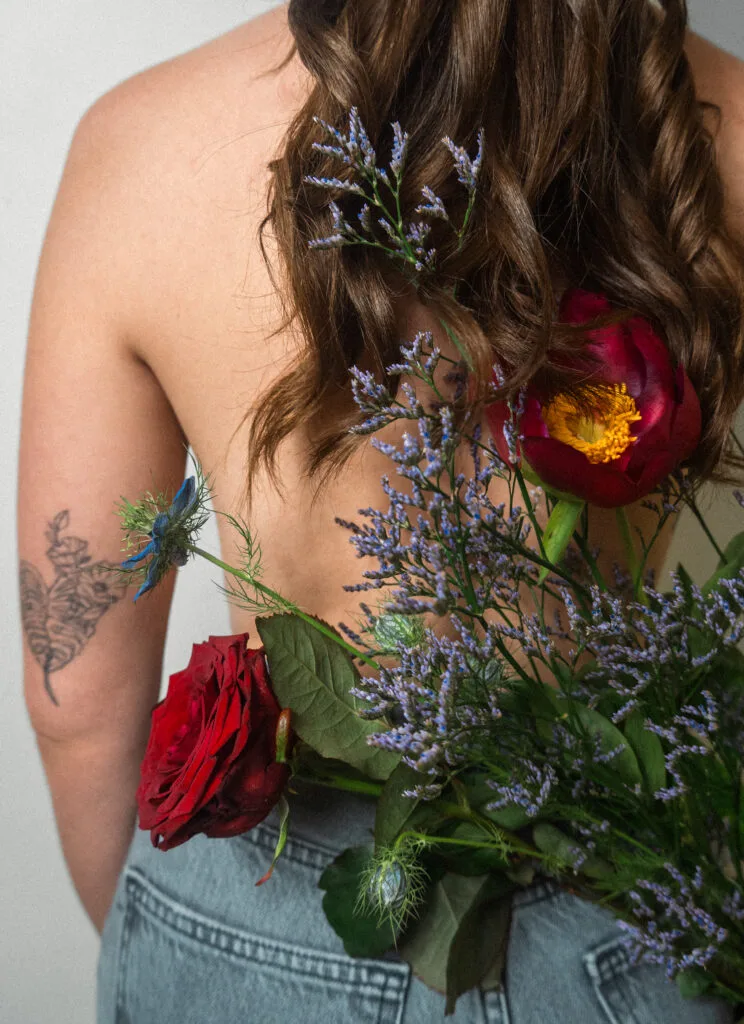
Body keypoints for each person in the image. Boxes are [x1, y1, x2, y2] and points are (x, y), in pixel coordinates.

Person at [17, 2, 744, 1021]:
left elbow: (78, 699)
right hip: (616, 921)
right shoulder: (724, 132)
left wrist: (181, 934)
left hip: (246, 919)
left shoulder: (141, 145)